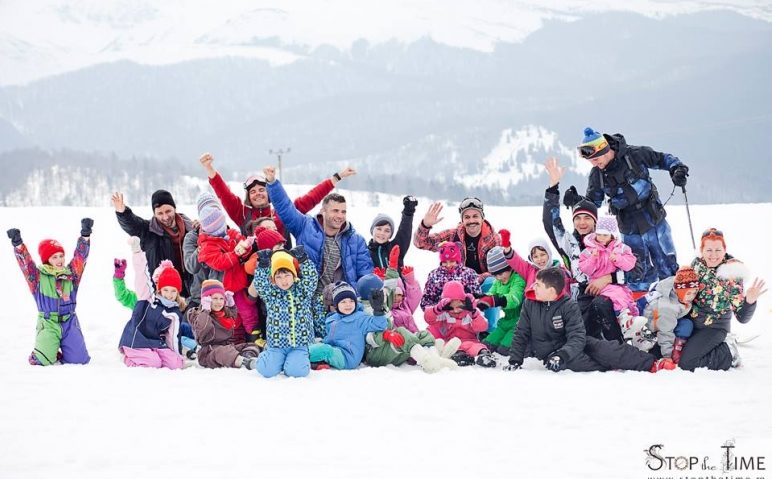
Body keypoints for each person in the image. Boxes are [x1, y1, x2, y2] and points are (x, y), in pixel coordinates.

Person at [575, 127, 689, 293]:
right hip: (629, 228)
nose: (594, 163)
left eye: (595, 158)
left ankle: (675, 304)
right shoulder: (597, 175)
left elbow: (662, 159)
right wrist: (578, 203)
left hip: (653, 219)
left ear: (605, 149)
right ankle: (642, 310)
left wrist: (677, 169)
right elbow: (593, 202)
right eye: (590, 161)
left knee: (667, 263)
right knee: (637, 272)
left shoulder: (634, 155)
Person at [264, 166, 373, 338]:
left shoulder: (355, 240)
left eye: (343, 211)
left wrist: (364, 301)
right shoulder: (305, 226)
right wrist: (272, 183)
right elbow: (285, 208)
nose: (340, 215)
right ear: (323, 211)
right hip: (308, 297)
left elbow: (364, 274)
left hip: (341, 300)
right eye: (335, 210)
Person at [506, 268, 662, 373]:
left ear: (551, 291)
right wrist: (515, 360)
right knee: (579, 363)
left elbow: (577, 336)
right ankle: (611, 366)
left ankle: (651, 363)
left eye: (538, 285)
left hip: (573, 346)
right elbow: (521, 333)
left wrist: (564, 354)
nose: (534, 287)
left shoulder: (568, 305)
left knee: (605, 350)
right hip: (552, 353)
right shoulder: (530, 304)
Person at [543, 157, 626, 342]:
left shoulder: (608, 240)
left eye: (587, 218)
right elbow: (550, 223)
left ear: (595, 221)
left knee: (601, 304)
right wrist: (553, 186)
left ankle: (618, 346)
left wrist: (608, 278)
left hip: (611, 294)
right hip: (582, 296)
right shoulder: (569, 242)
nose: (582, 222)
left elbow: (634, 270)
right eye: (578, 218)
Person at [199, 152, 355, 236]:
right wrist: (209, 169)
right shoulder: (241, 214)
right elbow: (224, 194)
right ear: (248, 197)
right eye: (253, 192)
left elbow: (311, 198)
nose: (258, 194)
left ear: (269, 193)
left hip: (282, 276)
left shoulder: (282, 214)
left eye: (262, 190)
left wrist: (336, 178)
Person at [7, 219, 93, 366]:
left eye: (61, 255)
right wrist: (18, 244)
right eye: (55, 257)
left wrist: (85, 235)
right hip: (48, 323)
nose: (60, 260)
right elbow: (25, 264)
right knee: (42, 361)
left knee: (80, 361)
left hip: (69, 322)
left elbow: (80, 258)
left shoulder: (71, 274)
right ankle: (45, 350)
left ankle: (64, 347)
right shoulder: (37, 277)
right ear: (47, 260)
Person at [678, 228, 767, 371]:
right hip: (692, 323)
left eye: (718, 250)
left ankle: (729, 353)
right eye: (709, 250)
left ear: (724, 249)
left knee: (687, 362)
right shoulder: (696, 265)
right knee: (671, 354)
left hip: (715, 328)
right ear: (702, 251)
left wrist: (750, 301)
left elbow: (742, 317)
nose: (713, 255)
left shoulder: (731, 274)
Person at [112, 190, 195, 296]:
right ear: (154, 214)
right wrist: (122, 212)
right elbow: (133, 224)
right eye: (160, 213)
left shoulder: (191, 228)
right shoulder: (148, 231)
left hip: (191, 292)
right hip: (163, 294)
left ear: (174, 208)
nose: (165, 217)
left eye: (168, 211)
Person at [252, 247, 317, 378]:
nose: (284, 280)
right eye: (279, 276)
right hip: (277, 344)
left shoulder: (303, 291)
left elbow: (311, 278)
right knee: (266, 370)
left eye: (287, 275)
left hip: (299, 343)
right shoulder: (271, 294)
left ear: (294, 275)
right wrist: (263, 265)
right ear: (274, 279)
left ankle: (294, 361)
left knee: (297, 372)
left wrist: (303, 260)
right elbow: (260, 284)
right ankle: (269, 357)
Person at [118, 251, 186, 369]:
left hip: (155, 343)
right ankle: (128, 358)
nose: (169, 295)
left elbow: (172, 337)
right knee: (154, 363)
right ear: (159, 289)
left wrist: (176, 354)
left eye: (173, 291)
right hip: (136, 338)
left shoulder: (175, 312)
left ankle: (152, 356)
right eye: (166, 290)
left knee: (176, 364)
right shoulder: (148, 298)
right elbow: (142, 276)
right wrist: (137, 252)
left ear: (178, 292)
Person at [309, 282, 388, 370]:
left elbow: (380, 325)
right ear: (336, 305)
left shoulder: (360, 318)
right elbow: (330, 338)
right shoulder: (332, 319)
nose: (348, 304)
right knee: (317, 347)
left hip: (348, 357)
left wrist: (378, 310)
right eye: (343, 302)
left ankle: (301, 357)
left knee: (324, 350)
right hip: (335, 350)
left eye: (351, 301)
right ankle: (316, 362)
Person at [413, 197, 500, 275]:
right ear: (462, 220)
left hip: (486, 285)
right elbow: (420, 243)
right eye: (467, 217)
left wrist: (481, 278)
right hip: (458, 284)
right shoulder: (452, 236)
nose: (471, 220)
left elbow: (502, 269)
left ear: (482, 218)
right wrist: (425, 225)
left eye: (475, 216)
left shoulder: (493, 239)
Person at [635, 266, 701, 369]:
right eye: (688, 293)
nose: (691, 297)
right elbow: (665, 331)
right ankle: (675, 350)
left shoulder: (675, 288)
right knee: (686, 325)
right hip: (652, 328)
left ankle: (678, 343)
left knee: (686, 323)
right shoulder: (668, 307)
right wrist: (667, 356)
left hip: (664, 321)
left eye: (694, 293)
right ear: (679, 291)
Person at [187, 279, 261, 369]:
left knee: (250, 345)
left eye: (221, 298)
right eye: (215, 298)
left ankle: (248, 357)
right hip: (208, 353)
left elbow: (232, 317)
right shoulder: (199, 316)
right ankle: (243, 362)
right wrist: (205, 310)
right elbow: (202, 328)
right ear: (207, 300)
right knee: (223, 352)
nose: (219, 302)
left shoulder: (223, 313)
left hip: (227, 347)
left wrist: (231, 305)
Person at [578, 215, 639, 323]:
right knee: (616, 296)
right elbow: (584, 268)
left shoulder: (621, 248)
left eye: (605, 235)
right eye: (599, 234)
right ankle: (622, 318)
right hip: (596, 284)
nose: (601, 238)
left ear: (612, 235)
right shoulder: (589, 251)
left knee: (625, 297)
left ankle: (629, 319)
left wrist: (618, 259)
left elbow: (630, 264)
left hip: (616, 284)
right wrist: (593, 259)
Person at [424, 281, 493, 367]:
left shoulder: (471, 312)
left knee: (476, 347)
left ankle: (484, 355)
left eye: (459, 307)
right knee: (452, 349)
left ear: (464, 302)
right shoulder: (444, 314)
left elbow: (483, 326)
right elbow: (429, 319)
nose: (455, 311)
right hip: (452, 342)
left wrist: (474, 312)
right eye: (451, 308)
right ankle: (460, 356)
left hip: (471, 341)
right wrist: (436, 309)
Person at [476, 246, 526, 357]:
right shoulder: (498, 281)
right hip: (505, 322)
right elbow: (491, 294)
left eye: (501, 273)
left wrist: (498, 300)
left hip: (519, 323)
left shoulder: (518, 279)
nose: (498, 277)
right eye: (495, 274)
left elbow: (515, 298)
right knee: (486, 344)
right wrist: (480, 300)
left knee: (504, 349)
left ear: (510, 267)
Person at [420, 241, 481, 311]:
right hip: (442, 314)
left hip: (464, 314)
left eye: (452, 261)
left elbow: (476, 296)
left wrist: (466, 306)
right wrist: (438, 308)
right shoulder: (434, 275)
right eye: (445, 262)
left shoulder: (469, 273)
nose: (448, 265)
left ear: (458, 261)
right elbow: (426, 301)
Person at [369, 196, 417, 269]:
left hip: (397, 280)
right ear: (372, 230)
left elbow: (405, 231)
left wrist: (408, 212)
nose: (382, 233)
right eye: (379, 229)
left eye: (387, 230)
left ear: (390, 235)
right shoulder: (365, 252)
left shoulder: (395, 248)